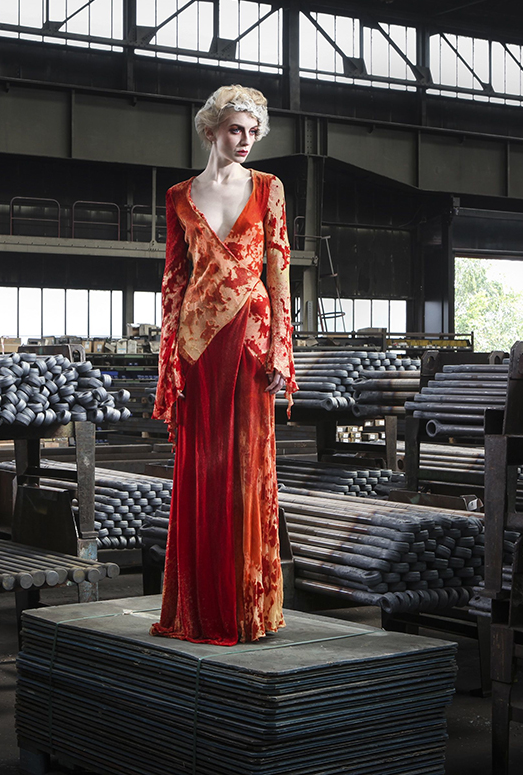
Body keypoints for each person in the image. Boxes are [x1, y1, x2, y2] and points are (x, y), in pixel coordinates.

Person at [150, 84, 297, 646]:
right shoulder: (179, 197)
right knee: (200, 472)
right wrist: (169, 361)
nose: (246, 140)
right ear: (210, 129)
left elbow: (280, 270)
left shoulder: (269, 189)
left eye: (253, 131)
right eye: (236, 129)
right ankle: (198, 607)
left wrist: (283, 349)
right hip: (195, 346)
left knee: (247, 473)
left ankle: (246, 609)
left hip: (252, 341)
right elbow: (173, 283)